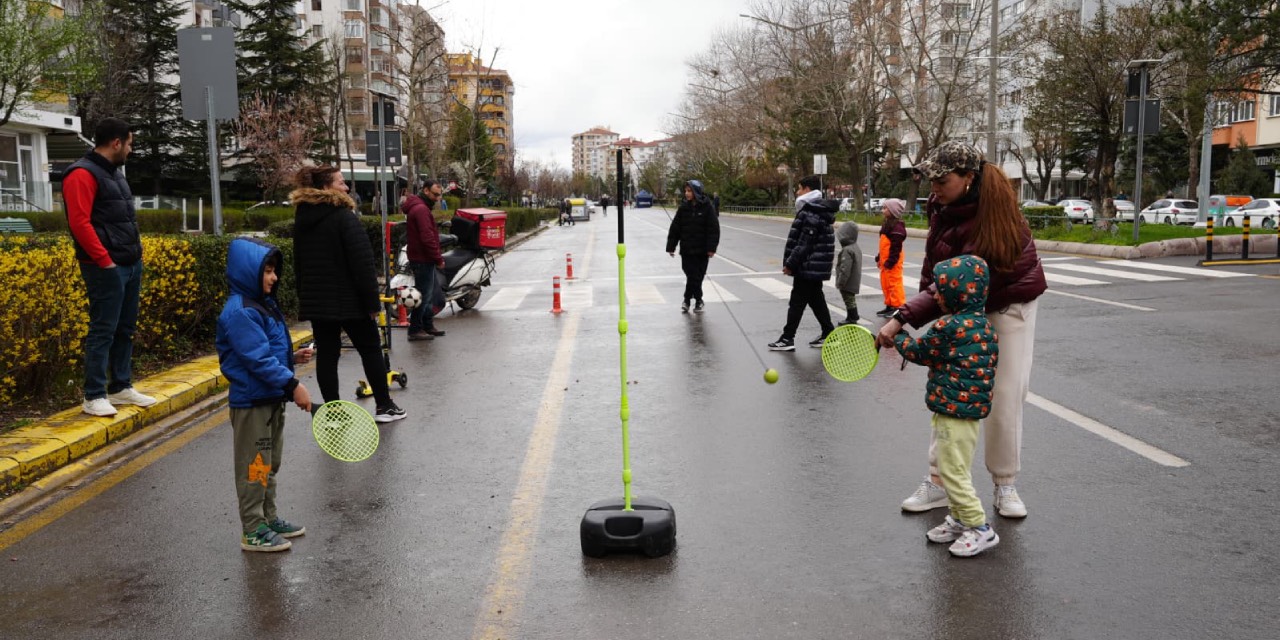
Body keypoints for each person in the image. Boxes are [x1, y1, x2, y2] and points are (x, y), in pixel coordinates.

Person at [876, 140, 1046, 518]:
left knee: (1003, 396)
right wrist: (925, 317)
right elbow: (936, 268)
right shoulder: (944, 203)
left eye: (942, 179)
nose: (933, 187)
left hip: (1007, 303)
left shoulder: (998, 213)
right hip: (960, 300)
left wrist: (903, 317)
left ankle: (1005, 484)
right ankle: (939, 482)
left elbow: (966, 275)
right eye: (930, 178)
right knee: (949, 389)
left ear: (969, 177)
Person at [893, 254, 1000, 557]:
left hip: (954, 412)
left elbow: (921, 352)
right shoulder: (985, 326)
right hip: (966, 413)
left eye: (940, 290)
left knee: (952, 472)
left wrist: (898, 337)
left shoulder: (949, 327)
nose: (936, 295)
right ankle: (959, 519)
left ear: (957, 293)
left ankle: (979, 528)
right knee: (956, 466)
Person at [216, 238, 314, 552]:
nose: (274, 277)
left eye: (274, 271)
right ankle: (253, 529)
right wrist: (293, 385)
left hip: (270, 398)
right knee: (254, 468)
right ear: (248, 271)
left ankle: (268, 518)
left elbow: (266, 352)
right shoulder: (240, 312)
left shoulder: (260, 305)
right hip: (252, 403)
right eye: (267, 271)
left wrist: (292, 358)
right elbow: (256, 360)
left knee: (270, 464)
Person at [290, 166, 406, 423]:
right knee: (370, 349)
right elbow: (362, 263)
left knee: (328, 355)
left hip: (319, 301)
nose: (346, 187)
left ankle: (333, 413)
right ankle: (384, 406)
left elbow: (299, 263)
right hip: (350, 300)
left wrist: (305, 298)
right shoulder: (343, 216)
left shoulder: (302, 218)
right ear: (326, 188)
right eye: (341, 182)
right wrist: (372, 302)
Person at [64, 117, 156, 417]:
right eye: (129, 143)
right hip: (105, 266)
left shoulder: (114, 173)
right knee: (103, 328)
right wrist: (104, 261)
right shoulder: (81, 174)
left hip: (129, 263)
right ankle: (93, 394)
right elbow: (79, 222)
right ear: (116, 143)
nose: (130, 150)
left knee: (125, 328)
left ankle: (120, 387)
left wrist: (135, 257)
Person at [767, 175, 837, 351]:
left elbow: (804, 243)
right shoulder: (817, 210)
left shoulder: (811, 212)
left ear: (807, 190)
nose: (797, 192)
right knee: (816, 300)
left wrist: (790, 263)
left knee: (797, 303)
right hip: (813, 265)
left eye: (799, 188)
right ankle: (829, 333)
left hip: (807, 266)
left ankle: (787, 338)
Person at [666, 179, 720, 313]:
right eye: (685, 191)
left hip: (702, 251)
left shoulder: (707, 207)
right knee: (691, 275)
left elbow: (714, 229)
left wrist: (711, 248)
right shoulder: (683, 208)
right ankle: (698, 299)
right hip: (687, 250)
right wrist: (671, 247)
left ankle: (688, 301)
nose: (686, 193)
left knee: (697, 276)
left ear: (697, 192)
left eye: (689, 191)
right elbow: (675, 229)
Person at [402, 180, 446, 341]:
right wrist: (438, 258)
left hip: (421, 257)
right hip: (423, 258)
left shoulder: (420, 207)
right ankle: (415, 329)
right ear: (426, 191)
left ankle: (427, 325)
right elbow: (427, 237)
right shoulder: (421, 209)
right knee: (424, 296)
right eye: (435, 194)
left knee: (428, 294)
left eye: (439, 195)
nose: (437, 198)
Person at [874, 198, 908, 317]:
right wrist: (879, 257)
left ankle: (898, 307)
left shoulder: (897, 229)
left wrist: (891, 261)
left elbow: (895, 249)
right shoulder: (887, 224)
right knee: (886, 284)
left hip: (892, 261)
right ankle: (889, 305)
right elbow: (883, 245)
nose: (883, 210)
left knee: (894, 284)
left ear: (893, 211)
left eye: (885, 208)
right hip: (886, 261)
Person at [834, 221, 862, 326]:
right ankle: (851, 316)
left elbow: (845, 268)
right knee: (850, 299)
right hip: (854, 280)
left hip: (848, 281)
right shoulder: (855, 247)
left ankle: (852, 317)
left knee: (849, 300)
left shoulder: (847, 250)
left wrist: (841, 282)